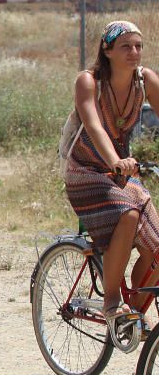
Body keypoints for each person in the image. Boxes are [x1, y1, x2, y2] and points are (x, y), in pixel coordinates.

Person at [65, 20, 159, 335]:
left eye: (138, 46)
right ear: (107, 51)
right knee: (129, 215)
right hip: (86, 172)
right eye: (125, 47)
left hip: (118, 173)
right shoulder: (89, 82)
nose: (134, 53)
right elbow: (93, 125)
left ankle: (135, 304)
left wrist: (119, 166)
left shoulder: (145, 82)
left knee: (156, 245)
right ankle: (111, 303)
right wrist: (116, 160)